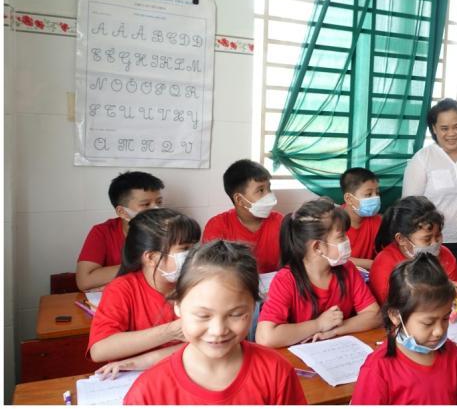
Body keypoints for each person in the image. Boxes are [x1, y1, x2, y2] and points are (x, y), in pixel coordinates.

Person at [123, 240, 307, 404]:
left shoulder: (276, 372)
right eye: (203, 316)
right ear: (177, 306)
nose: (218, 330)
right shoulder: (148, 394)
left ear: (253, 308)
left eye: (235, 314)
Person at [255, 197, 381, 347]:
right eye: (341, 237)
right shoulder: (286, 279)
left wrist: (334, 330)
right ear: (317, 247)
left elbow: (375, 315)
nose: (348, 241)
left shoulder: (348, 270)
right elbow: (266, 337)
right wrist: (318, 324)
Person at [351, 253, 457, 405]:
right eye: (428, 323)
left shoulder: (451, 352)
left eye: (445, 318)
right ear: (395, 316)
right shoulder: (378, 369)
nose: (439, 331)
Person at [88, 209, 196, 370]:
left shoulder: (196, 285)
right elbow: (100, 350)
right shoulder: (122, 289)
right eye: (184, 248)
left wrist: (137, 362)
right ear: (151, 257)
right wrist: (171, 331)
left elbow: (201, 348)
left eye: (194, 246)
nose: (193, 254)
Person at [402, 98, 457, 274]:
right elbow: (409, 207)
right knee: (438, 297)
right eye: (444, 128)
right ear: (434, 129)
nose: (451, 133)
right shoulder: (422, 159)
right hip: (432, 244)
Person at [76, 171, 164, 291]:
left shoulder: (171, 230)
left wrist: (116, 279)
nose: (156, 209)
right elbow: (84, 281)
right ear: (122, 212)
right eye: (146, 204)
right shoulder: (102, 232)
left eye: (159, 202)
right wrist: (142, 265)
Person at [370, 196, 457, 305]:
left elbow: (456, 302)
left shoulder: (445, 255)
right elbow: (397, 310)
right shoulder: (385, 264)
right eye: (427, 239)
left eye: (438, 236)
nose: (434, 243)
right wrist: (443, 293)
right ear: (401, 239)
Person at [203, 159, 283, 273]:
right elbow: (212, 272)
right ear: (240, 200)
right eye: (261, 190)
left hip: (275, 288)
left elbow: (291, 265)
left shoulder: (280, 222)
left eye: (269, 188)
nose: (269, 195)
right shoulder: (217, 227)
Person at [340, 167, 382, 270]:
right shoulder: (333, 223)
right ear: (349, 199)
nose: (375, 198)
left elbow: (386, 252)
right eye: (368, 194)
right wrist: (371, 264)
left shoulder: (378, 221)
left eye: (377, 193)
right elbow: (333, 259)